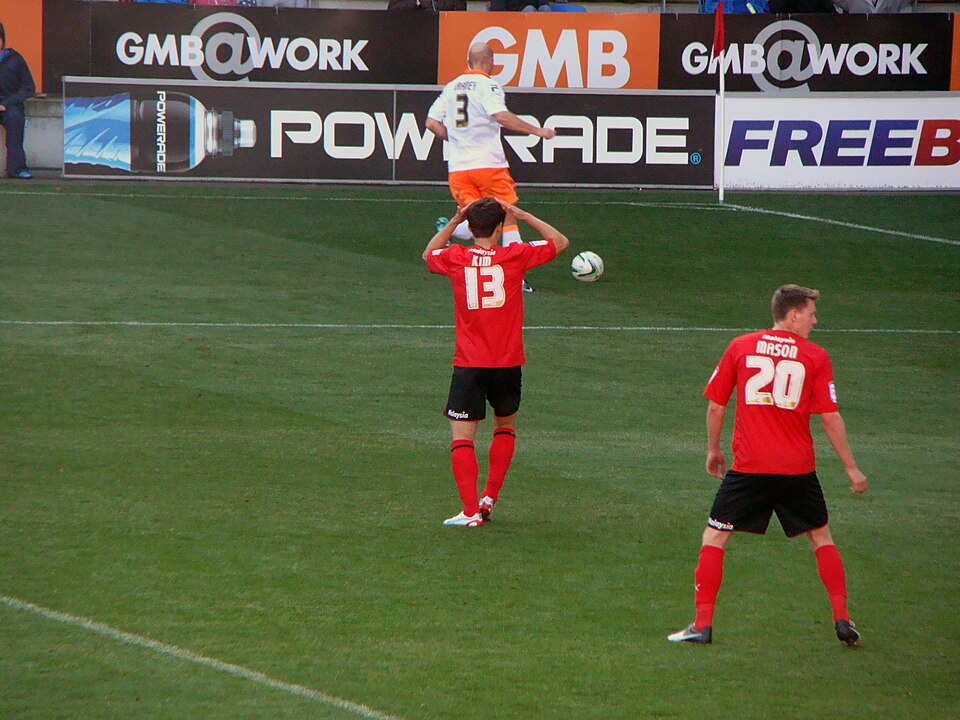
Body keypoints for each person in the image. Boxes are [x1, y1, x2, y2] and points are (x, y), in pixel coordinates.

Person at [668, 285, 868, 646]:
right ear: (792, 315)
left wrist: (713, 449)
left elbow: (716, 406)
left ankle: (702, 625)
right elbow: (830, 417)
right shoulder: (816, 356)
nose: (814, 320)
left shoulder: (741, 346)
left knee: (715, 536)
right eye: (810, 313)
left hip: (750, 469)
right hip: (798, 470)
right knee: (821, 537)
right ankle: (842, 618)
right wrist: (851, 468)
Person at [423, 197, 569, 527]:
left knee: (462, 437)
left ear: (469, 228)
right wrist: (523, 214)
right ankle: (489, 497)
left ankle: (470, 510)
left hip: (470, 362)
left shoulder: (456, 257)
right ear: (500, 228)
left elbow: (427, 253)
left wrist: (452, 222)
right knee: (505, 427)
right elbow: (560, 242)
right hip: (507, 362)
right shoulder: (515, 256)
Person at [426, 42, 555, 293]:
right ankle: (516, 277)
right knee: (506, 212)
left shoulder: (451, 87)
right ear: (490, 62)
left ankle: (452, 235)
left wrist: (456, 139)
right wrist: (537, 131)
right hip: (488, 164)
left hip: (459, 168)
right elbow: (501, 117)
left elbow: (431, 123)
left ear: (468, 60)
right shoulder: (489, 85)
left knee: (477, 218)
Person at [0, 23, 36, 180]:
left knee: (15, 119)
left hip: (9, 106)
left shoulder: (15, 59)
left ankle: (16, 168)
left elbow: (29, 87)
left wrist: (6, 103)